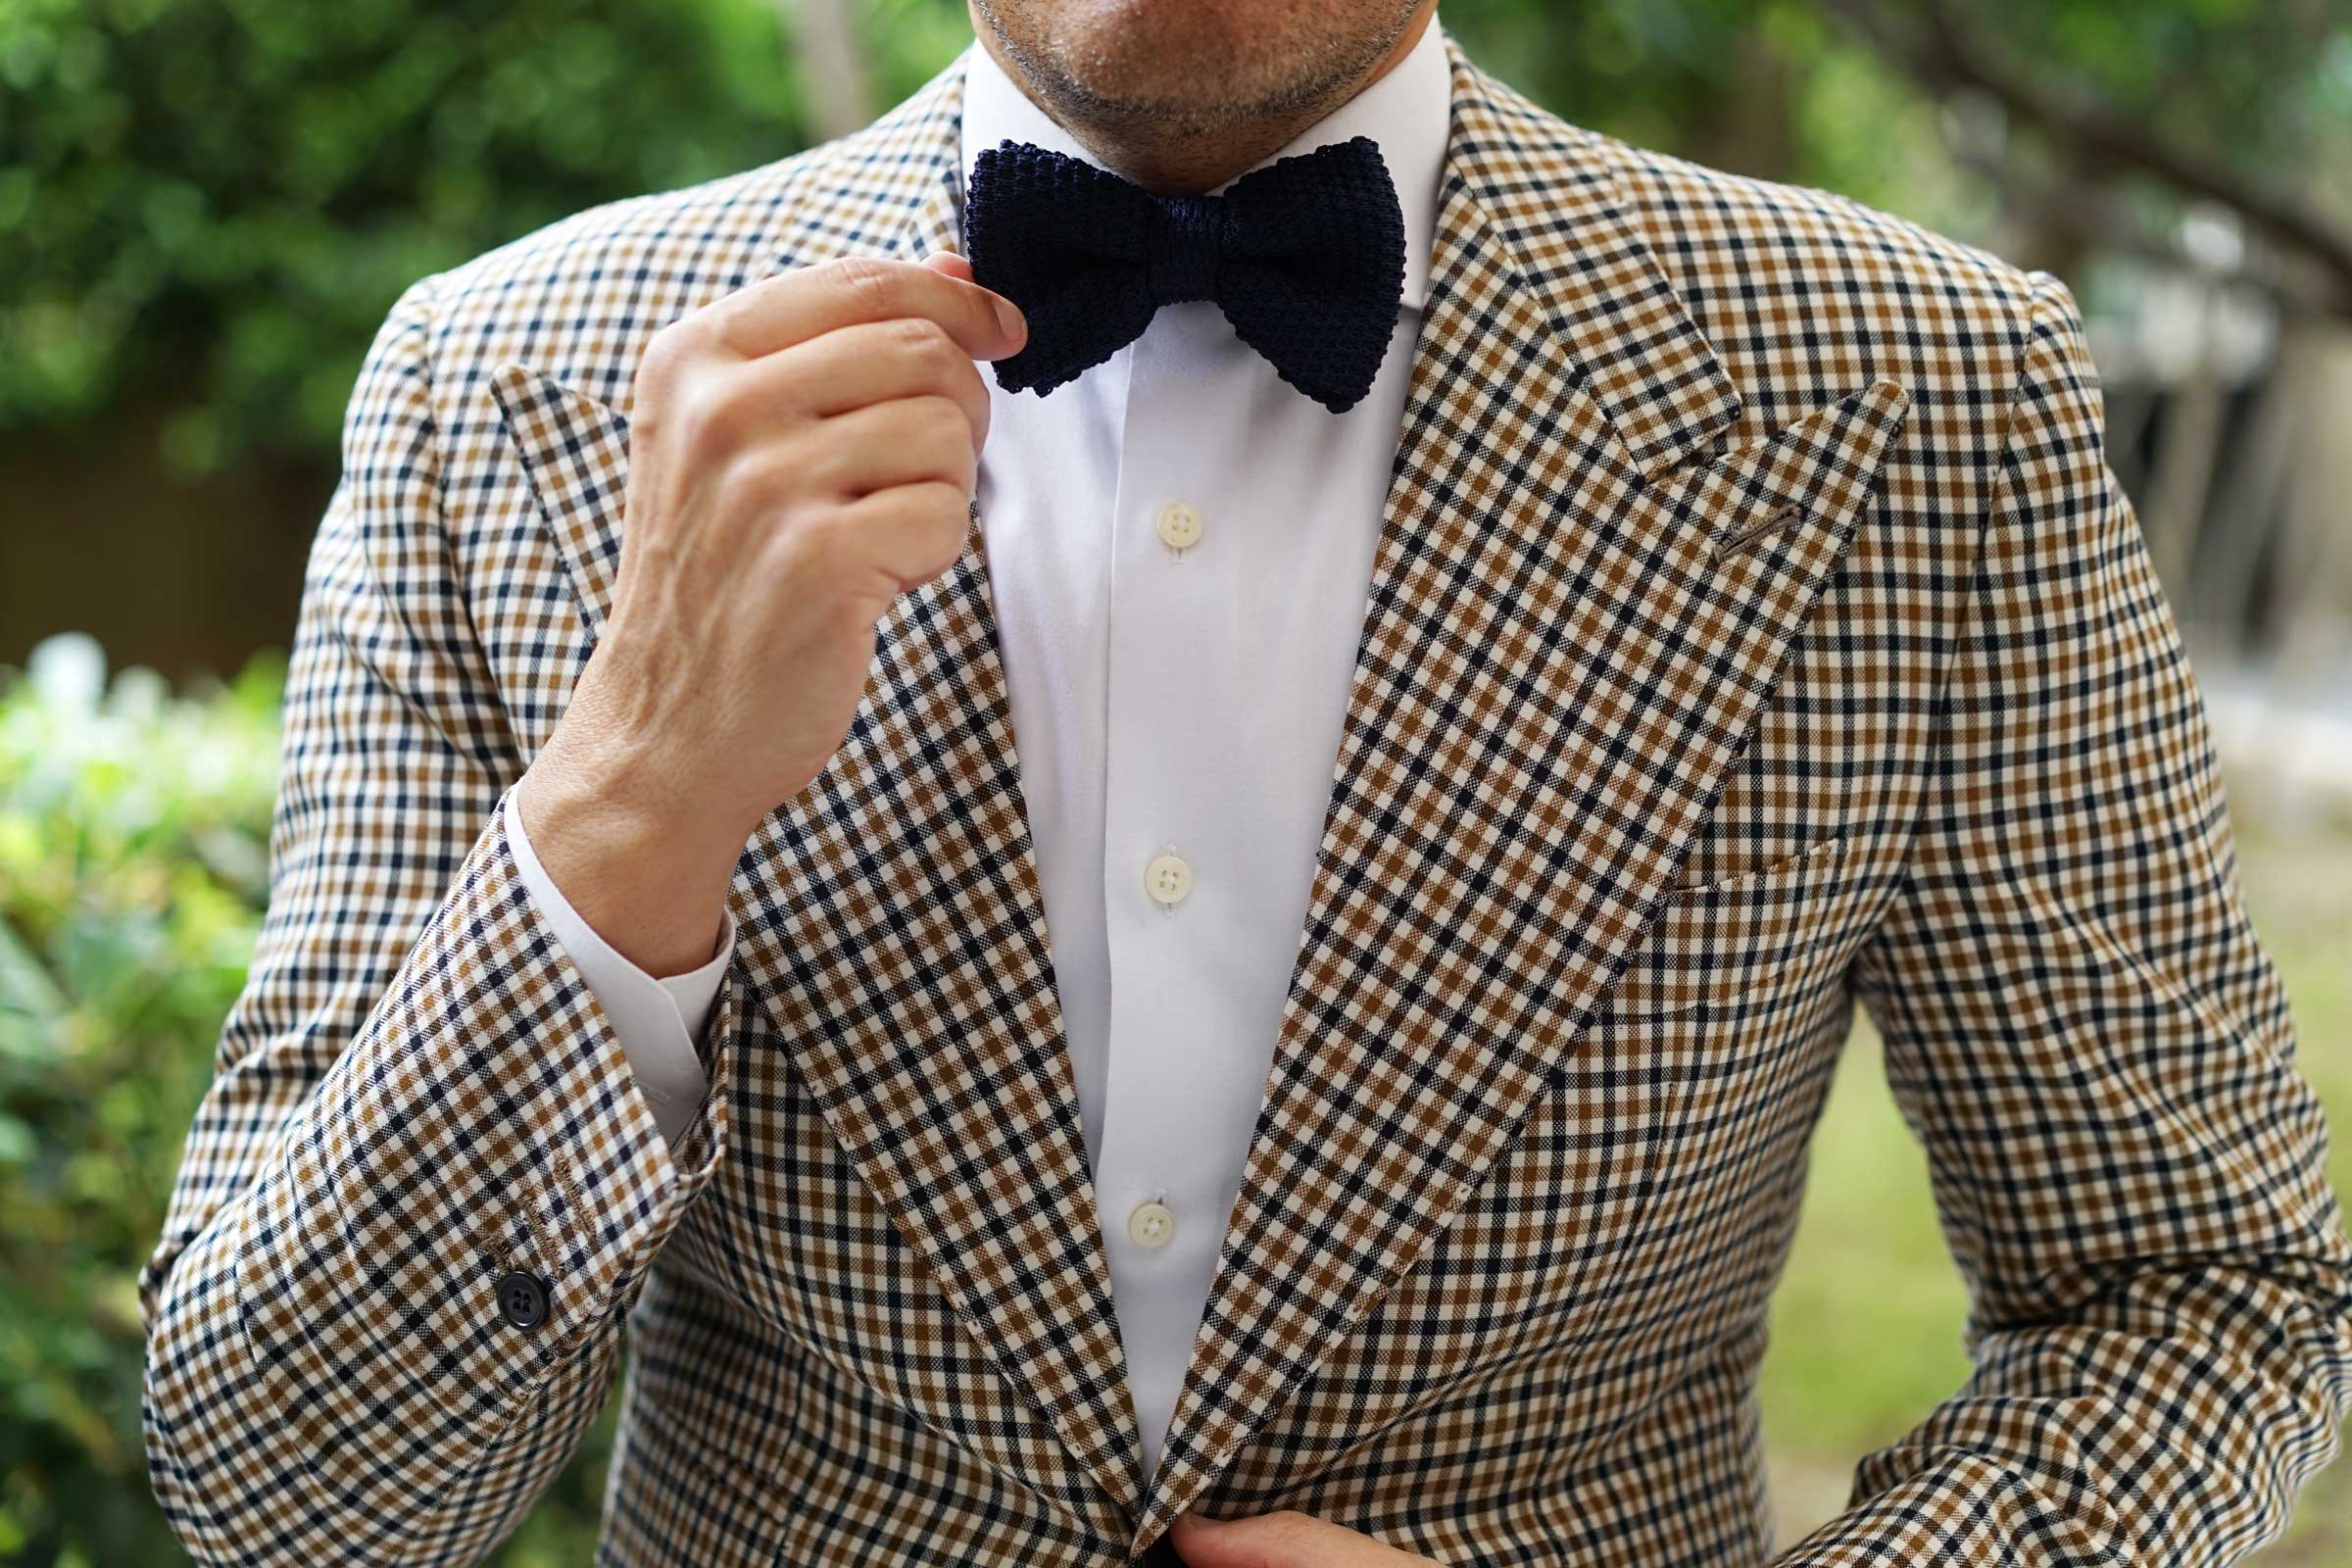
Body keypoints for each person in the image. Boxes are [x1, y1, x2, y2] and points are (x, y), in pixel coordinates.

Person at [138, 0, 2352, 1562]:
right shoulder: (498, 392)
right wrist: (630, 797)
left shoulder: (1916, 402)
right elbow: (295, 1491)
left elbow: (2206, 1297)